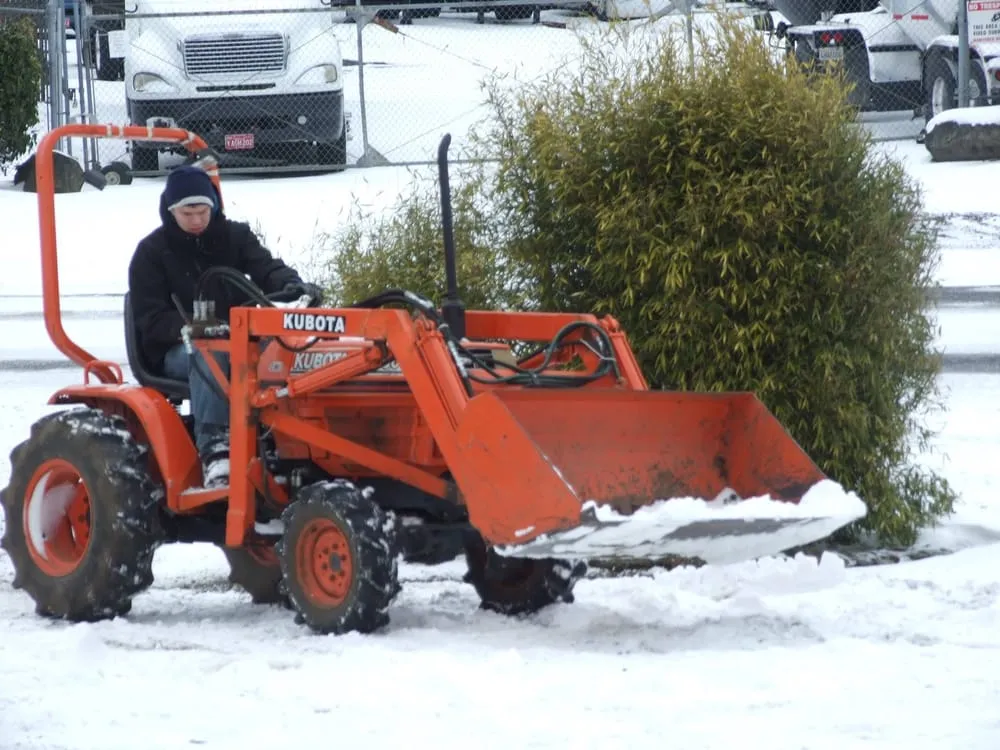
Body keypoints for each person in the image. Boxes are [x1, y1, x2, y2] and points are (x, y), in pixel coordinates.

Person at [128, 165, 321, 488]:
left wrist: (292, 285)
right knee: (211, 355)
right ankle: (216, 450)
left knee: (286, 352)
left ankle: (289, 439)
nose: (197, 220)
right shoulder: (151, 254)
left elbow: (267, 268)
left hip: (239, 338)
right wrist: (191, 328)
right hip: (179, 348)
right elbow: (150, 317)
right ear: (171, 210)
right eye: (188, 212)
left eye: (203, 211)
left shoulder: (234, 237)